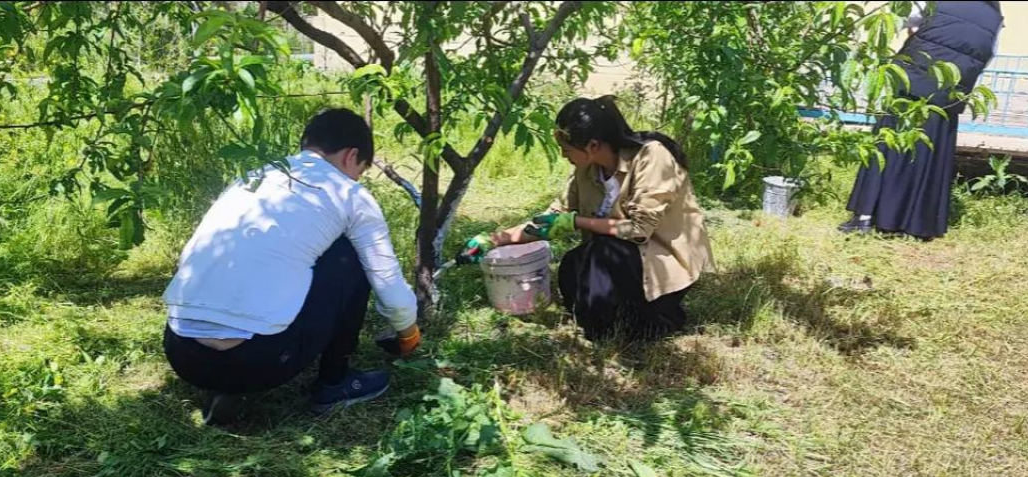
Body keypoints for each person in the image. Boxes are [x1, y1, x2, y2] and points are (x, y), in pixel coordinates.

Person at [161, 109, 421, 425]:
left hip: (181, 351)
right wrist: (408, 333)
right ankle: (335, 381)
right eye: (360, 171)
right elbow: (389, 284)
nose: (356, 179)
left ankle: (222, 386)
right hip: (259, 363)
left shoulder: (253, 176)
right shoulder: (349, 194)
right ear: (352, 156)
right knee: (349, 253)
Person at [461, 96, 715, 343]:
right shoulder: (586, 169)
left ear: (593, 146)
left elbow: (639, 229)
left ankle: (658, 317)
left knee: (602, 260)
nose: (563, 156)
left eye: (567, 150)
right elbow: (554, 216)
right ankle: (616, 321)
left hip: (661, 261)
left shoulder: (652, 157)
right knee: (572, 266)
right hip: (622, 258)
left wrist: (577, 222)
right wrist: (494, 240)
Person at [840, 1, 1004, 239]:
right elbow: (988, 56)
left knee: (888, 146)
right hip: (950, 93)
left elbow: (902, 20)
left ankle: (865, 216)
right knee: (929, 156)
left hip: (912, 79)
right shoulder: (994, 18)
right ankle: (915, 224)